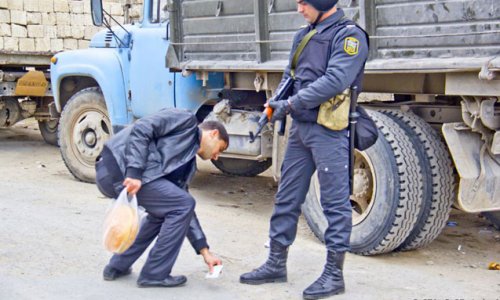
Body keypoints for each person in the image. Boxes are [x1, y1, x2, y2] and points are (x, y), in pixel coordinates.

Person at [240, 1, 369, 299]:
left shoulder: (349, 36)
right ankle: (275, 263)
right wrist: (276, 102)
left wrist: (290, 105)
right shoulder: (304, 35)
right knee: (286, 197)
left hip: (329, 130)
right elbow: (291, 76)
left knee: (334, 204)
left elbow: (336, 80)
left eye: (304, 3)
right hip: (300, 128)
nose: (299, 9)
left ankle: (334, 276)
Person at [95, 107, 229, 288]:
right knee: (182, 205)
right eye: (220, 149)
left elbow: (185, 214)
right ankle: (155, 274)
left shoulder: (187, 164)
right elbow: (142, 128)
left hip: (130, 176)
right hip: (118, 168)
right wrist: (134, 172)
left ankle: (117, 265)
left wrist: (204, 251)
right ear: (213, 134)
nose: (216, 156)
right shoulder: (186, 120)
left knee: (168, 211)